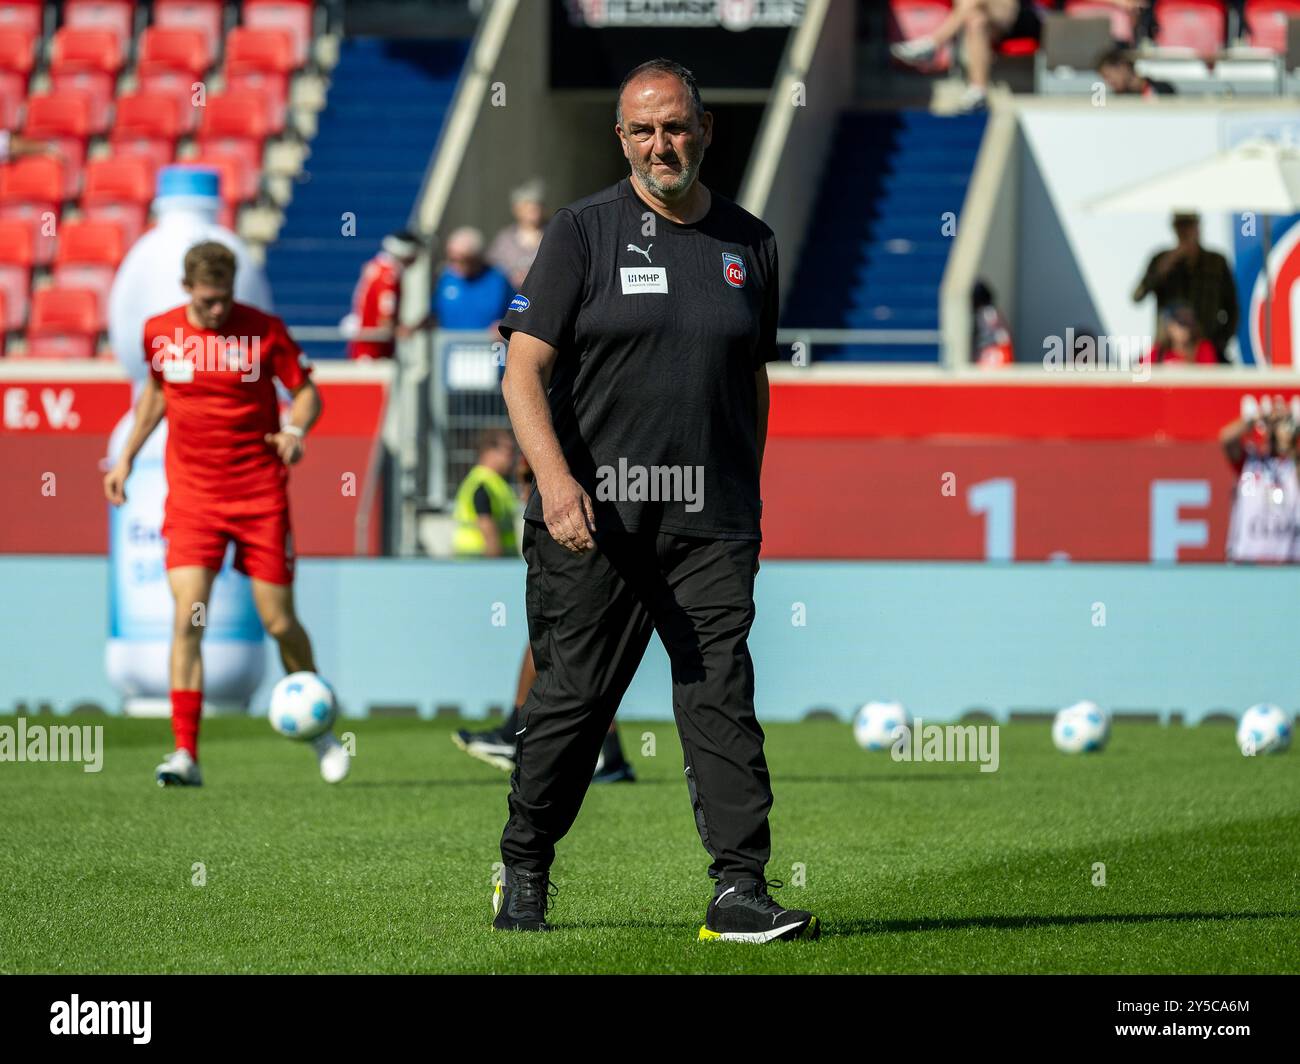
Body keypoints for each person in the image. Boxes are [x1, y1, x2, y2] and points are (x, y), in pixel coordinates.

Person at [490, 57, 819, 943]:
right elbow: (522, 371)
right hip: (595, 521)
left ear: (706, 130)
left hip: (709, 525)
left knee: (720, 695)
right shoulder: (582, 232)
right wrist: (556, 483)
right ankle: (525, 863)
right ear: (622, 139)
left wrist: (745, 495)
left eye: (675, 126)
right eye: (643, 129)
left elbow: (750, 380)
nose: (660, 144)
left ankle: (739, 889)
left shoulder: (752, 243)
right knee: (573, 702)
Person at [103, 241, 350, 786]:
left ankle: (320, 726)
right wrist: (124, 459)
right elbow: (156, 395)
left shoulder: (263, 330)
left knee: (278, 621)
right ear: (188, 289)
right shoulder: (160, 332)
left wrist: (294, 429)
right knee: (189, 614)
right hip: (193, 499)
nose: (219, 311)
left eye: (226, 299)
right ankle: (185, 754)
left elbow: (306, 393)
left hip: (259, 494)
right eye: (210, 300)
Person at [451, 431, 636, 783]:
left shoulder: (568, 415)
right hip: (607, 523)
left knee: (565, 638)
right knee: (582, 646)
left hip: (583, 533)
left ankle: (519, 733)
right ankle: (608, 755)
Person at [891, 0, 1148, 112]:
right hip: (993, 19)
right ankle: (978, 89)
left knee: (972, 4)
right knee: (975, 18)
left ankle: (934, 43)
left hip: (1029, 19)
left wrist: (1118, 1)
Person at [1133, 212, 1238, 363]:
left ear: (1198, 226)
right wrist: (1161, 269)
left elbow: (1233, 308)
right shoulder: (1161, 259)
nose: (1185, 231)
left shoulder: (1216, 262)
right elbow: (1137, 296)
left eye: (1189, 225)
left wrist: (1221, 341)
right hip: (1168, 350)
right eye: (1180, 226)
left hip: (1208, 348)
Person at [1221, 400, 1300, 563]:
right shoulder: (1250, 462)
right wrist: (1255, 417)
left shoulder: (1293, 467)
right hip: (1246, 563)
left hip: (1288, 567)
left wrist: (1292, 432)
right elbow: (1227, 439)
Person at [343, 230, 422, 360]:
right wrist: (405, 331)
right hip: (373, 349)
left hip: (365, 345)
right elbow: (385, 319)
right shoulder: (388, 276)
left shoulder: (377, 266)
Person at [488, 180, 549, 289]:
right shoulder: (505, 239)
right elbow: (492, 269)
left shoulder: (553, 234)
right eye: (527, 205)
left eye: (537, 204)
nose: (533, 209)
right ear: (516, 209)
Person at [1144, 302, 1216, 366]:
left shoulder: (1204, 348)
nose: (1185, 329)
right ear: (1169, 326)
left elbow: (1210, 376)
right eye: (1181, 323)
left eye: (1189, 322)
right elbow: (1140, 373)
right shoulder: (1158, 352)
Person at [1096, 45, 1175, 98]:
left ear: (1123, 66)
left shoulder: (1162, 90)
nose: (1109, 82)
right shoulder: (1120, 100)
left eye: (1108, 76)